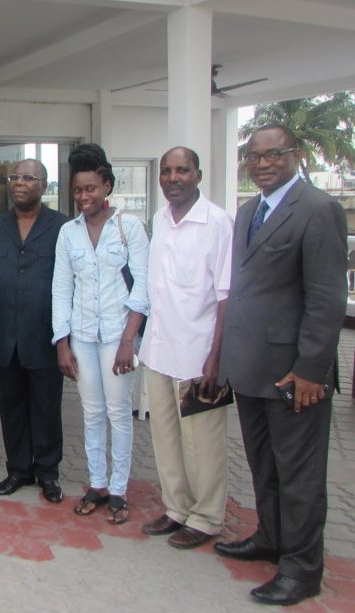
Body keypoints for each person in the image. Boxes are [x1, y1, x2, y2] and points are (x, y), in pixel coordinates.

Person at [216, 124, 347, 606]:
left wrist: (312, 369)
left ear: (296, 155)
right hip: (251, 367)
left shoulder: (318, 209)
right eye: (255, 156)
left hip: (296, 374)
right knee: (263, 466)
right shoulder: (249, 210)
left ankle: (302, 568)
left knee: (300, 475)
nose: (264, 163)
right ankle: (270, 537)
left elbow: (327, 297)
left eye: (275, 154)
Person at [139, 147, 233, 549]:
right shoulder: (159, 220)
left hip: (199, 356)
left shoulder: (218, 223)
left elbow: (227, 295)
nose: (173, 177)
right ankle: (177, 508)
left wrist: (217, 355)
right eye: (166, 171)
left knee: (203, 442)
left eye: (182, 170)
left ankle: (208, 517)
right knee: (165, 436)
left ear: (198, 174)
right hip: (159, 350)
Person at [52, 143, 148, 524]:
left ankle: (120, 491)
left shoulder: (130, 227)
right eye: (78, 190)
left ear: (107, 186)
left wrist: (129, 341)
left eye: (90, 188)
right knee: (91, 412)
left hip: (117, 337)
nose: (83, 197)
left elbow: (143, 288)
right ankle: (97, 484)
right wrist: (62, 343)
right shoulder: (68, 233)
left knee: (118, 412)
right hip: (82, 336)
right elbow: (61, 288)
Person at [0, 159, 68, 502]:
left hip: (45, 336)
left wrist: (65, 338)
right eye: (14, 177)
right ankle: (18, 470)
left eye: (29, 178)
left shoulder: (62, 227)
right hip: (3, 337)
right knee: (10, 406)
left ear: (44, 185)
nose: (19, 183)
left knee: (46, 407)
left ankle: (47, 473)